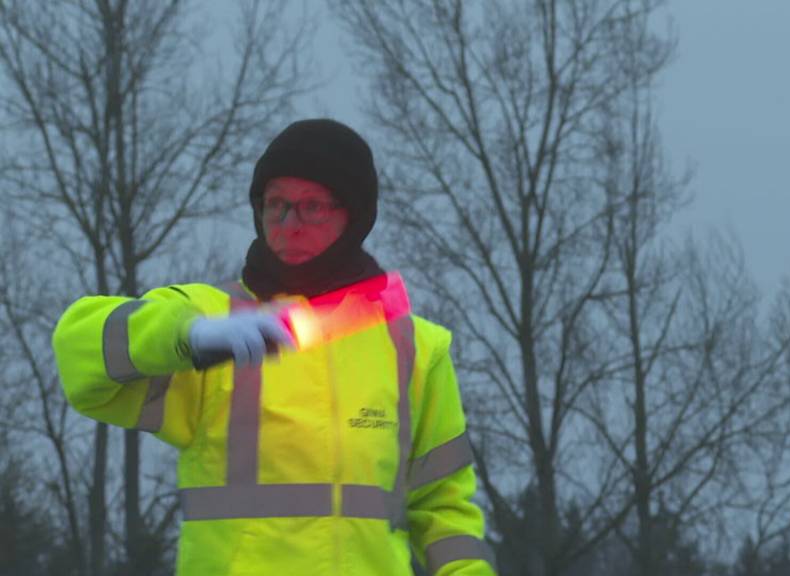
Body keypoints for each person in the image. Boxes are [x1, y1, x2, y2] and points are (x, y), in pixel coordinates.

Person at [52, 119, 496, 575]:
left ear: (355, 215)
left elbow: (446, 512)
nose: (288, 225)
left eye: (312, 207)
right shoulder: (213, 320)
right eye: (275, 205)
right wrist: (185, 337)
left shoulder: (414, 347)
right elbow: (78, 346)